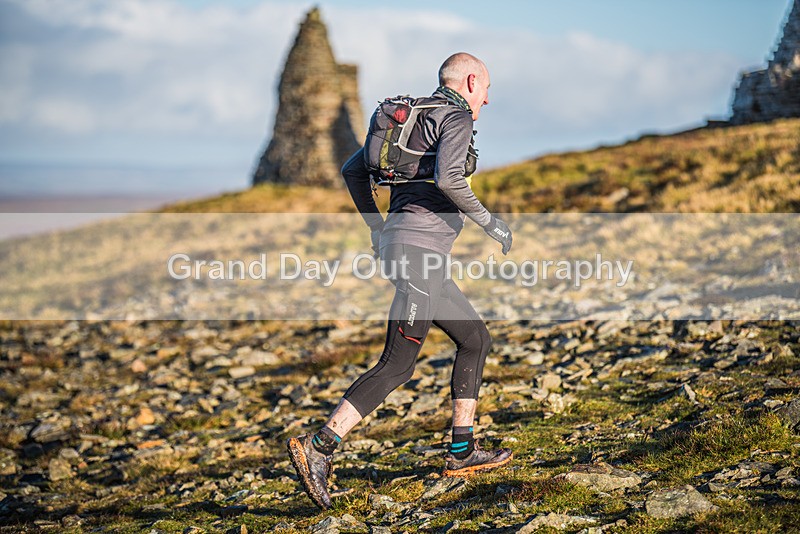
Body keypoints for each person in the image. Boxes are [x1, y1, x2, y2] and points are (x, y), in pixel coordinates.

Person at [287, 52, 514, 510]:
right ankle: (320, 446)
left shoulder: (409, 119)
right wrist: (493, 224)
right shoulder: (455, 117)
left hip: (410, 254)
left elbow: (354, 171)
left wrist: (377, 226)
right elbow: (450, 180)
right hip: (419, 257)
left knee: (474, 338)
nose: (486, 101)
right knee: (398, 364)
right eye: (486, 90)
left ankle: (462, 451)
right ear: (471, 81)